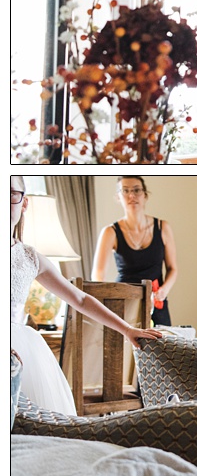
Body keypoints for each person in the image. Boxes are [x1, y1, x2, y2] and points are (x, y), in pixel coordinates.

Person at [12, 176, 162, 416]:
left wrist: (127, 329)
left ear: (24, 203)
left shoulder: (30, 258)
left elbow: (81, 299)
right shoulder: (112, 232)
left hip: (22, 348)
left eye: (12, 194)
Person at [92, 174, 178, 325]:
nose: (132, 195)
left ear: (145, 195)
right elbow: (98, 277)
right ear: (118, 197)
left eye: (137, 190)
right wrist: (109, 300)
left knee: (163, 346)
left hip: (157, 303)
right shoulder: (110, 232)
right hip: (124, 305)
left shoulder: (162, 227)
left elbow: (173, 268)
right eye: (125, 191)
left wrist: (163, 291)